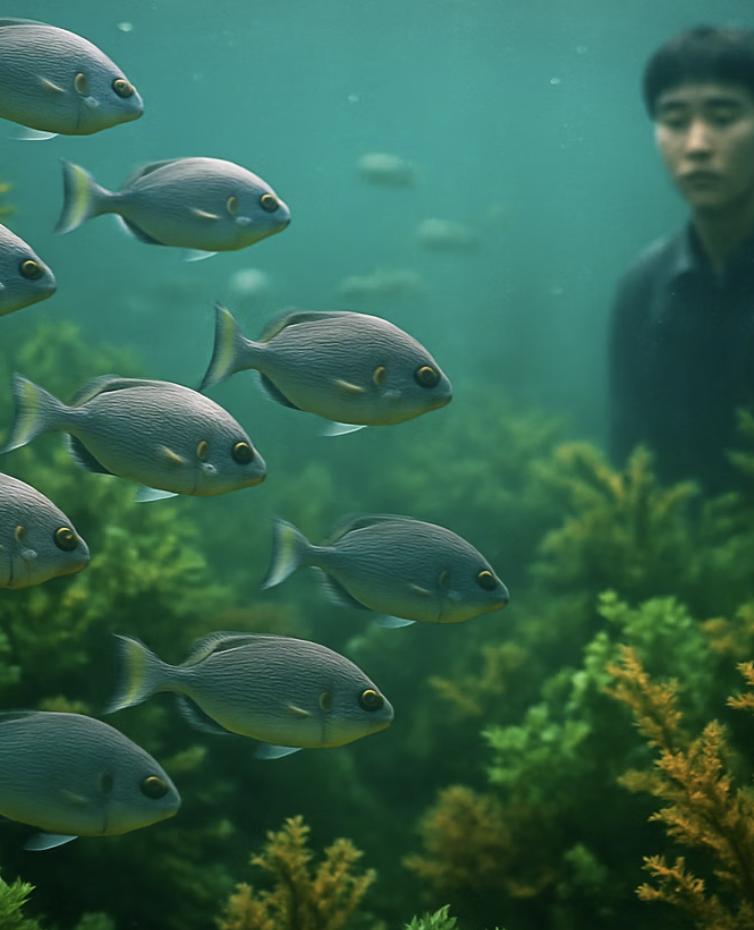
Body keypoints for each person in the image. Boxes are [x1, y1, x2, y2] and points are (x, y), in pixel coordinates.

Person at [609, 26, 754, 496]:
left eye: (723, 117)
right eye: (674, 121)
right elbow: (631, 458)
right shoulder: (643, 286)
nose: (696, 144)